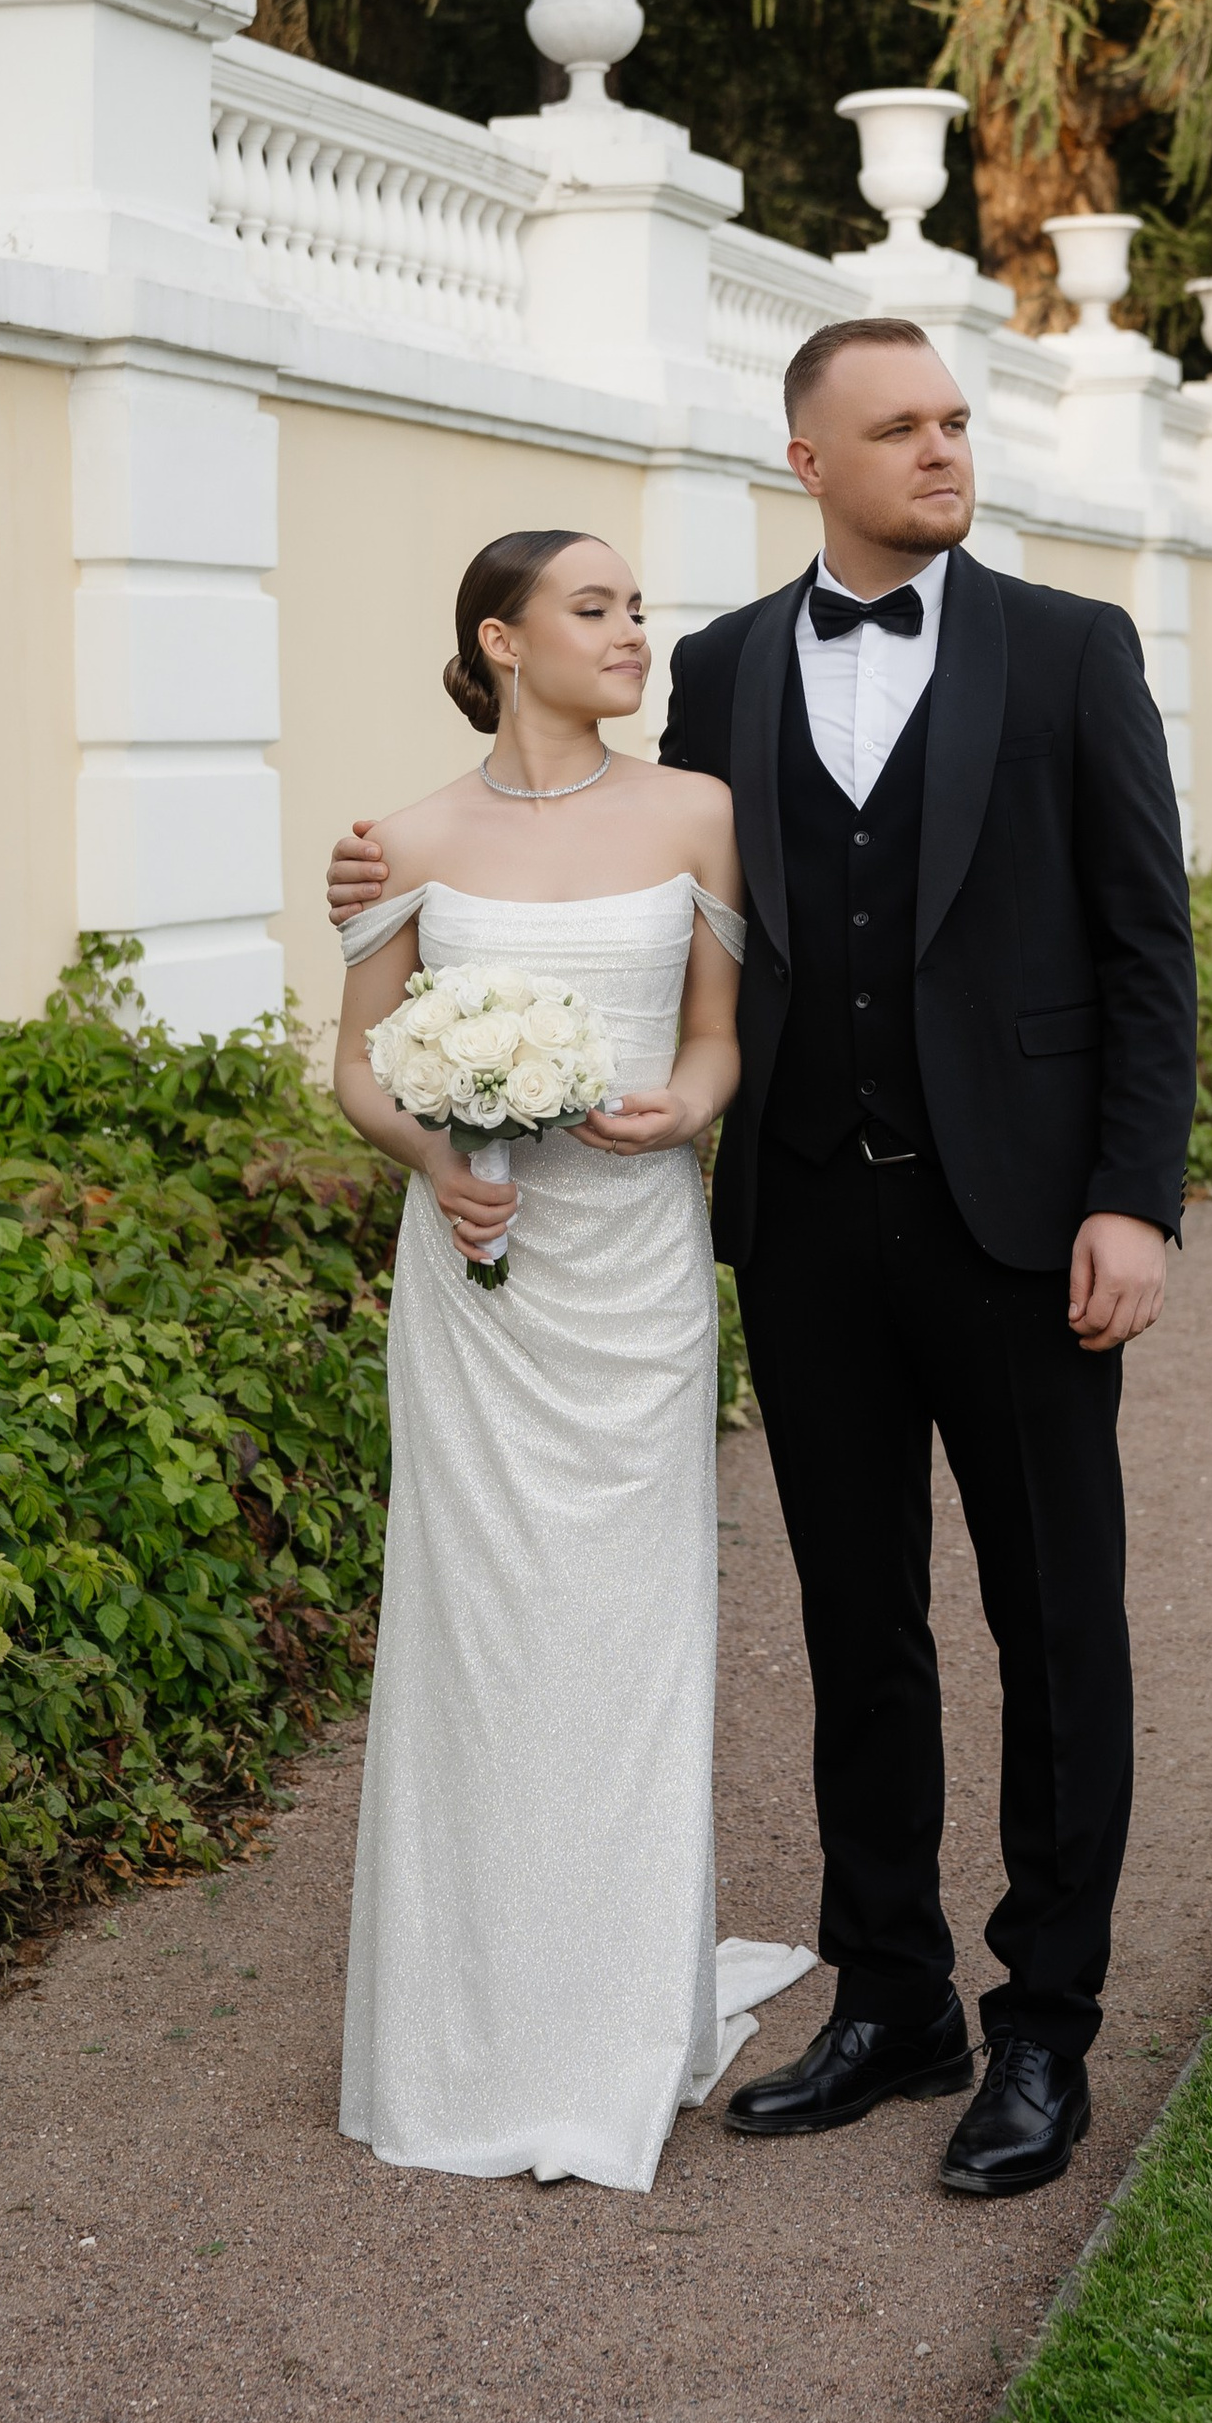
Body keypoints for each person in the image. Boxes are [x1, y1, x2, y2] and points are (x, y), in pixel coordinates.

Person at [331, 320, 1200, 2198]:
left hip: (1029, 1226)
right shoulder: (716, 672)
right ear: (808, 455)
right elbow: (572, 830)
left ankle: (1043, 2027)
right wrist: (378, 884)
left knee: (1055, 1625)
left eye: (958, 422)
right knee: (854, 1623)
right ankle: (893, 1993)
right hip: (802, 1224)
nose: (946, 451)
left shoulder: (1069, 651)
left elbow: (1149, 941)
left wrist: (1133, 1193)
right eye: (902, 428)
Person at [328, 527, 812, 2191]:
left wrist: (685, 1105)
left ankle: (615, 2020)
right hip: (477, 1281)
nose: (630, 633)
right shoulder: (401, 835)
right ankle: (466, 2028)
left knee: (631, 1627)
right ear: (500, 636)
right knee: (481, 1630)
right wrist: (432, 1156)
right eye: (593, 609)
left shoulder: (697, 814)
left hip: (634, 1272)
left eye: (634, 610)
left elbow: (713, 1034)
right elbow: (360, 1065)